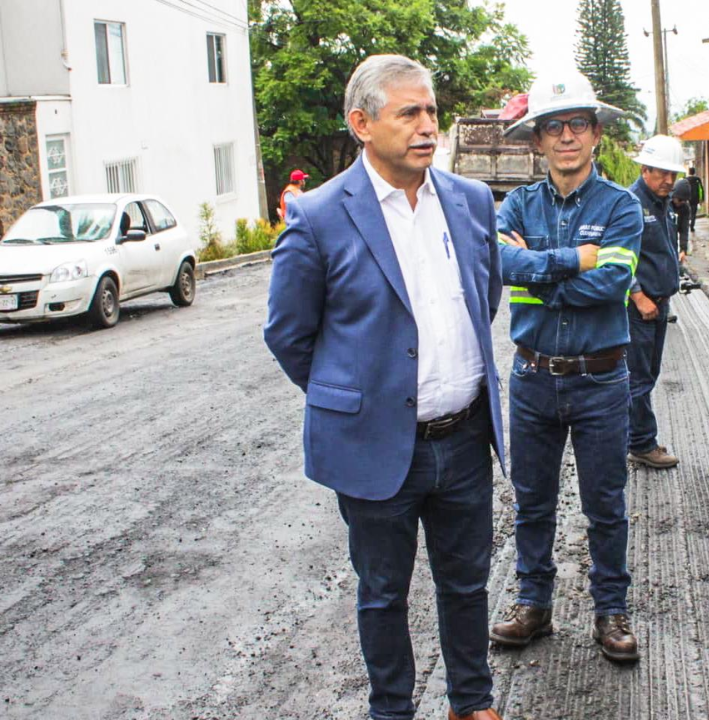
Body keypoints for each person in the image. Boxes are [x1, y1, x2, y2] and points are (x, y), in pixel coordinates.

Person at [264, 54, 506, 720]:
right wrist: (355, 402)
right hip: (375, 447)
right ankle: (391, 710)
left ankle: (471, 702)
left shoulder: (470, 201)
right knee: (382, 593)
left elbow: (482, 301)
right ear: (362, 123)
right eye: (410, 113)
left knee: (467, 584)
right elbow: (288, 334)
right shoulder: (317, 217)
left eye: (431, 111)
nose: (427, 126)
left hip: (462, 437)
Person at [487, 69, 644, 663]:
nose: (567, 137)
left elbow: (613, 284)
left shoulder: (621, 206)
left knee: (606, 503)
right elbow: (502, 267)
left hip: (602, 379)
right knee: (532, 501)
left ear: (596, 133)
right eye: (554, 127)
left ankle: (611, 611)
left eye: (578, 123)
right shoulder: (518, 204)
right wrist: (573, 261)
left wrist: (541, 270)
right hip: (531, 379)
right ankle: (534, 604)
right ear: (537, 141)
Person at [624, 135, 684, 469]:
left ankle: (634, 437)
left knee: (649, 374)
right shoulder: (632, 204)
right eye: (662, 173)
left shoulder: (663, 203)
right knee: (638, 378)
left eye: (673, 174)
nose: (669, 181)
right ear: (645, 169)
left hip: (659, 305)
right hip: (640, 308)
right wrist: (638, 295)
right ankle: (642, 444)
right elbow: (619, 255)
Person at [671, 178, 693, 263]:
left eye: (684, 201)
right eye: (679, 199)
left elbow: (684, 230)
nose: (681, 202)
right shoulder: (666, 204)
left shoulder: (685, 208)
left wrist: (683, 250)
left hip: (674, 240)